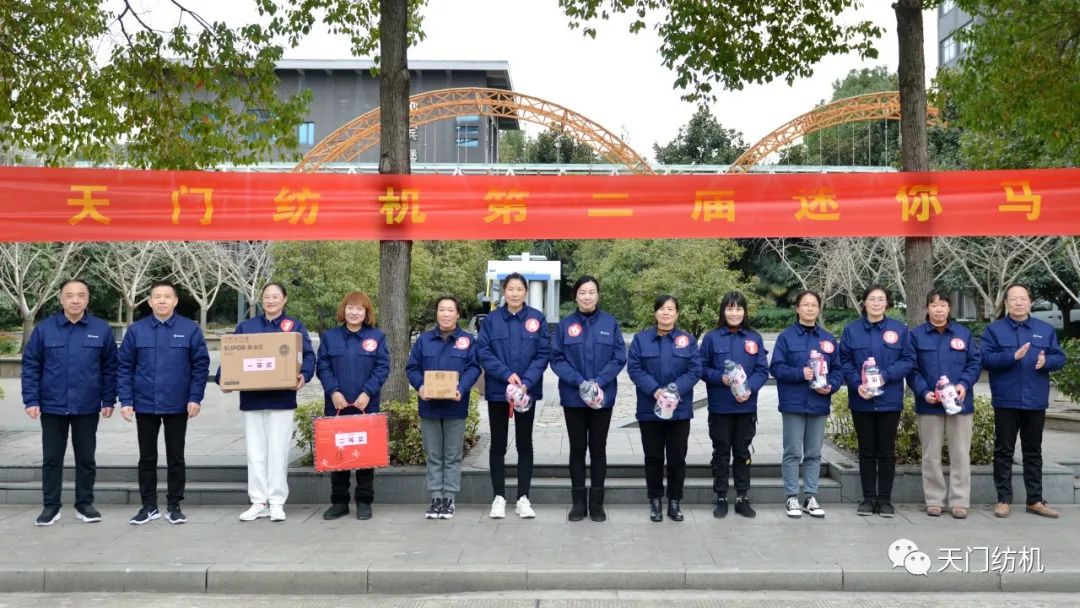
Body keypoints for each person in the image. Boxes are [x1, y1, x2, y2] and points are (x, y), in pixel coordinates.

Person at [22, 278, 118, 526]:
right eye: (70, 295)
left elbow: (110, 367)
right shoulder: (45, 329)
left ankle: (84, 505)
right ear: (61, 298)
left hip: (87, 405)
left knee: (86, 458)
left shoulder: (101, 329)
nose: (75, 300)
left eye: (81, 295)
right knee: (51, 459)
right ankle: (50, 507)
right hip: (52, 405)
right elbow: (31, 366)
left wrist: (109, 399)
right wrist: (31, 399)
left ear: (87, 299)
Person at [218, 282, 315, 523]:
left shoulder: (294, 326)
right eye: (267, 297)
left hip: (282, 400)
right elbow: (231, 356)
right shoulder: (247, 327)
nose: (271, 301)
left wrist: (304, 375)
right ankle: (258, 501)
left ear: (284, 299)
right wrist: (224, 379)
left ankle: (277, 502)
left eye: (275, 296)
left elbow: (308, 356)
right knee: (255, 453)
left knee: (278, 452)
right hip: (252, 401)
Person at [117, 280, 210, 526]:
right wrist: (125, 400)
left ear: (175, 301)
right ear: (149, 302)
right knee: (146, 458)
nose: (161, 300)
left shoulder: (189, 329)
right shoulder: (136, 331)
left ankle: (174, 505)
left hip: (177, 404)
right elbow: (124, 367)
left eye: (167, 296)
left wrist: (195, 397)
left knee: (176, 457)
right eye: (157, 296)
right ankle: (148, 506)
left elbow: (200, 366)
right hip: (144, 403)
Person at [981, 283, 1067, 519]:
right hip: (1006, 400)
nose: (1018, 303)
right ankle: (1003, 500)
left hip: (1035, 400)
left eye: (1023, 298)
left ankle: (1035, 500)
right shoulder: (994, 330)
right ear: (1006, 303)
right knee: (1003, 451)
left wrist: (1047, 362)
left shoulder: (1045, 329)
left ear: (1030, 302)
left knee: (1033, 451)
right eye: (1013, 299)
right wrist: (1012, 356)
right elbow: (985, 359)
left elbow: (1059, 357)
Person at [550, 276, 626, 522]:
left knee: (598, 449)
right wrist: (579, 381)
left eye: (591, 292)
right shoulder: (565, 325)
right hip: (574, 397)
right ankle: (578, 503)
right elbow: (556, 359)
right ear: (575, 296)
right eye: (582, 292)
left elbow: (619, 356)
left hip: (602, 397)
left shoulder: (609, 323)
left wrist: (599, 381)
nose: (587, 297)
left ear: (598, 295)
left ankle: (596, 503)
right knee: (577, 449)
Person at [477, 272, 550, 520]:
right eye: (510, 289)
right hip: (499, 391)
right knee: (498, 444)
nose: (515, 293)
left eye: (519, 289)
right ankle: (498, 497)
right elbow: (483, 352)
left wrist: (527, 382)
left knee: (524, 444)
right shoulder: (492, 320)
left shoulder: (537, 319)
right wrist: (506, 374)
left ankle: (523, 498)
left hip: (526, 393)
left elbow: (543, 354)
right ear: (504, 291)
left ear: (525, 292)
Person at [838, 284, 915, 518]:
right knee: (866, 451)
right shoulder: (851, 330)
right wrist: (857, 384)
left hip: (889, 400)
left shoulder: (899, 330)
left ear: (887, 303)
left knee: (887, 451)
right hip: (861, 399)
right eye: (872, 299)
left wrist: (884, 376)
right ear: (864, 302)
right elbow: (844, 361)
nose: (876, 303)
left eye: (881, 299)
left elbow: (908, 360)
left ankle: (885, 500)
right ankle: (868, 498)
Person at [907, 289, 981, 519]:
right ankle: (934, 499)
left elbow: (975, 363)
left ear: (949, 308)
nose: (938, 310)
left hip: (960, 404)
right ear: (927, 308)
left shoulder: (963, 334)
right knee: (931, 454)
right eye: (934, 305)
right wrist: (923, 392)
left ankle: (959, 500)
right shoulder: (916, 336)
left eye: (942, 305)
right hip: (930, 404)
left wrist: (964, 384)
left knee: (960, 453)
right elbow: (912, 369)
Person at [627, 295, 702, 523]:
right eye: (661, 308)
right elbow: (635, 369)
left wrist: (674, 389)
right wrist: (655, 391)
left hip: (679, 410)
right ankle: (655, 501)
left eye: (670, 309)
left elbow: (694, 370)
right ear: (655, 312)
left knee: (677, 458)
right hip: (650, 409)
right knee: (653, 457)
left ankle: (675, 501)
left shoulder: (687, 340)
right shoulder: (641, 340)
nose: (666, 313)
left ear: (677, 313)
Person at [316, 291, 389, 521]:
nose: (354, 312)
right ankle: (339, 502)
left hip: (366, 405)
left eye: (359, 309)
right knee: (338, 454)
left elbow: (382, 367)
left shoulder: (377, 336)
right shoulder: (330, 337)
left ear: (366, 313)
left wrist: (368, 392)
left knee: (366, 455)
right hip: (337, 406)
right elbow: (323, 366)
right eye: (350, 307)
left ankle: (364, 501)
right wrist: (333, 391)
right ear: (343, 310)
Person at [406, 296, 481, 520]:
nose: (446, 314)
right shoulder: (424, 340)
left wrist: (462, 388)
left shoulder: (467, 340)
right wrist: (420, 386)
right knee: (433, 454)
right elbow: (412, 368)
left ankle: (449, 498)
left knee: (452, 454)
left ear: (458, 314)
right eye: (442, 310)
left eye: (450, 310)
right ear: (436, 313)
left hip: (455, 406)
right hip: (429, 406)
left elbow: (473, 368)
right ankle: (436, 497)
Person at [769, 290, 841, 519]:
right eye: (805, 304)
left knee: (814, 453)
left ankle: (810, 496)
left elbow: (838, 370)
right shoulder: (786, 337)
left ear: (819, 309)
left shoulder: (828, 339)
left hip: (819, 403)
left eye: (814, 305)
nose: (810, 309)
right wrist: (801, 373)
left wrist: (831, 385)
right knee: (792, 452)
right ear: (797, 309)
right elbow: (776, 368)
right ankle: (791, 496)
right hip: (793, 403)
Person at [700, 291, 769, 519]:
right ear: (723, 311)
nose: (734, 313)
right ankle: (721, 497)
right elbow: (701, 368)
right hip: (720, 407)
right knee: (720, 453)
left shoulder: (754, 337)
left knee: (742, 453)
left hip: (746, 408)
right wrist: (721, 378)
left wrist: (750, 388)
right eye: (730, 308)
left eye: (739, 308)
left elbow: (762, 370)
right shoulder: (711, 338)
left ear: (745, 312)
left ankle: (742, 497)